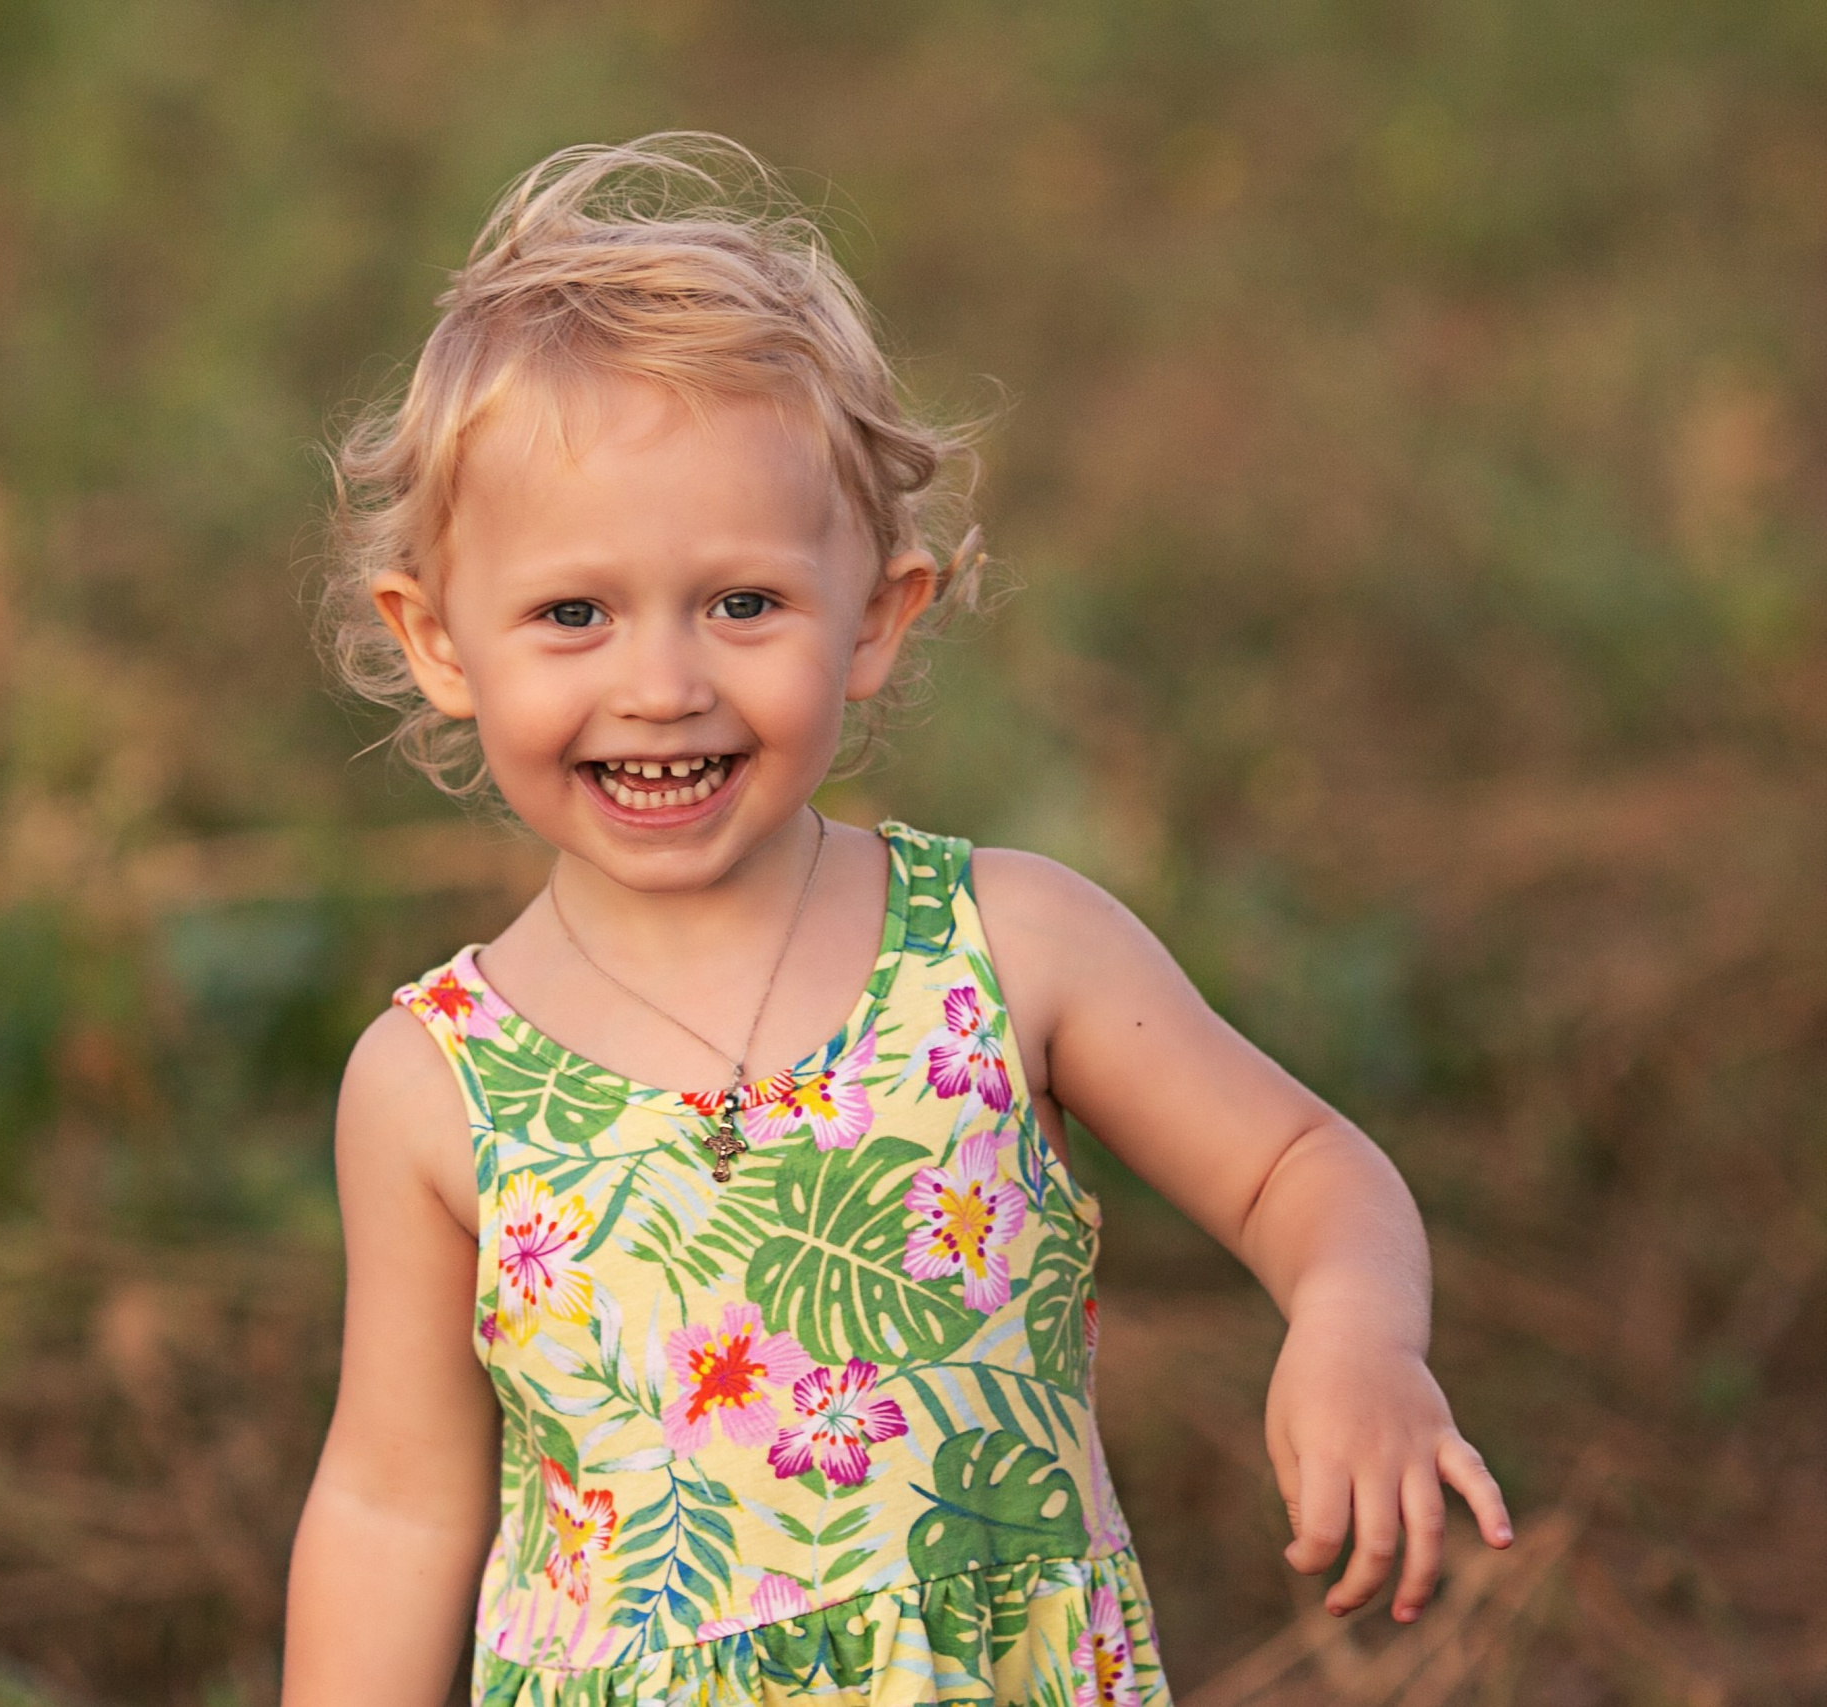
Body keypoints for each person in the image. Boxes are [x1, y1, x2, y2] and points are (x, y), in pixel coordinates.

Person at [281, 133, 1511, 1706]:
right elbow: (393, 1499)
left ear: (875, 618)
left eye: (744, 603)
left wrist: (1355, 1334)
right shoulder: (432, 1083)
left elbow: (1300, 1167)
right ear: (440, 644)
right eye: (572, 613)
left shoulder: (1007, 948)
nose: (661, 684)